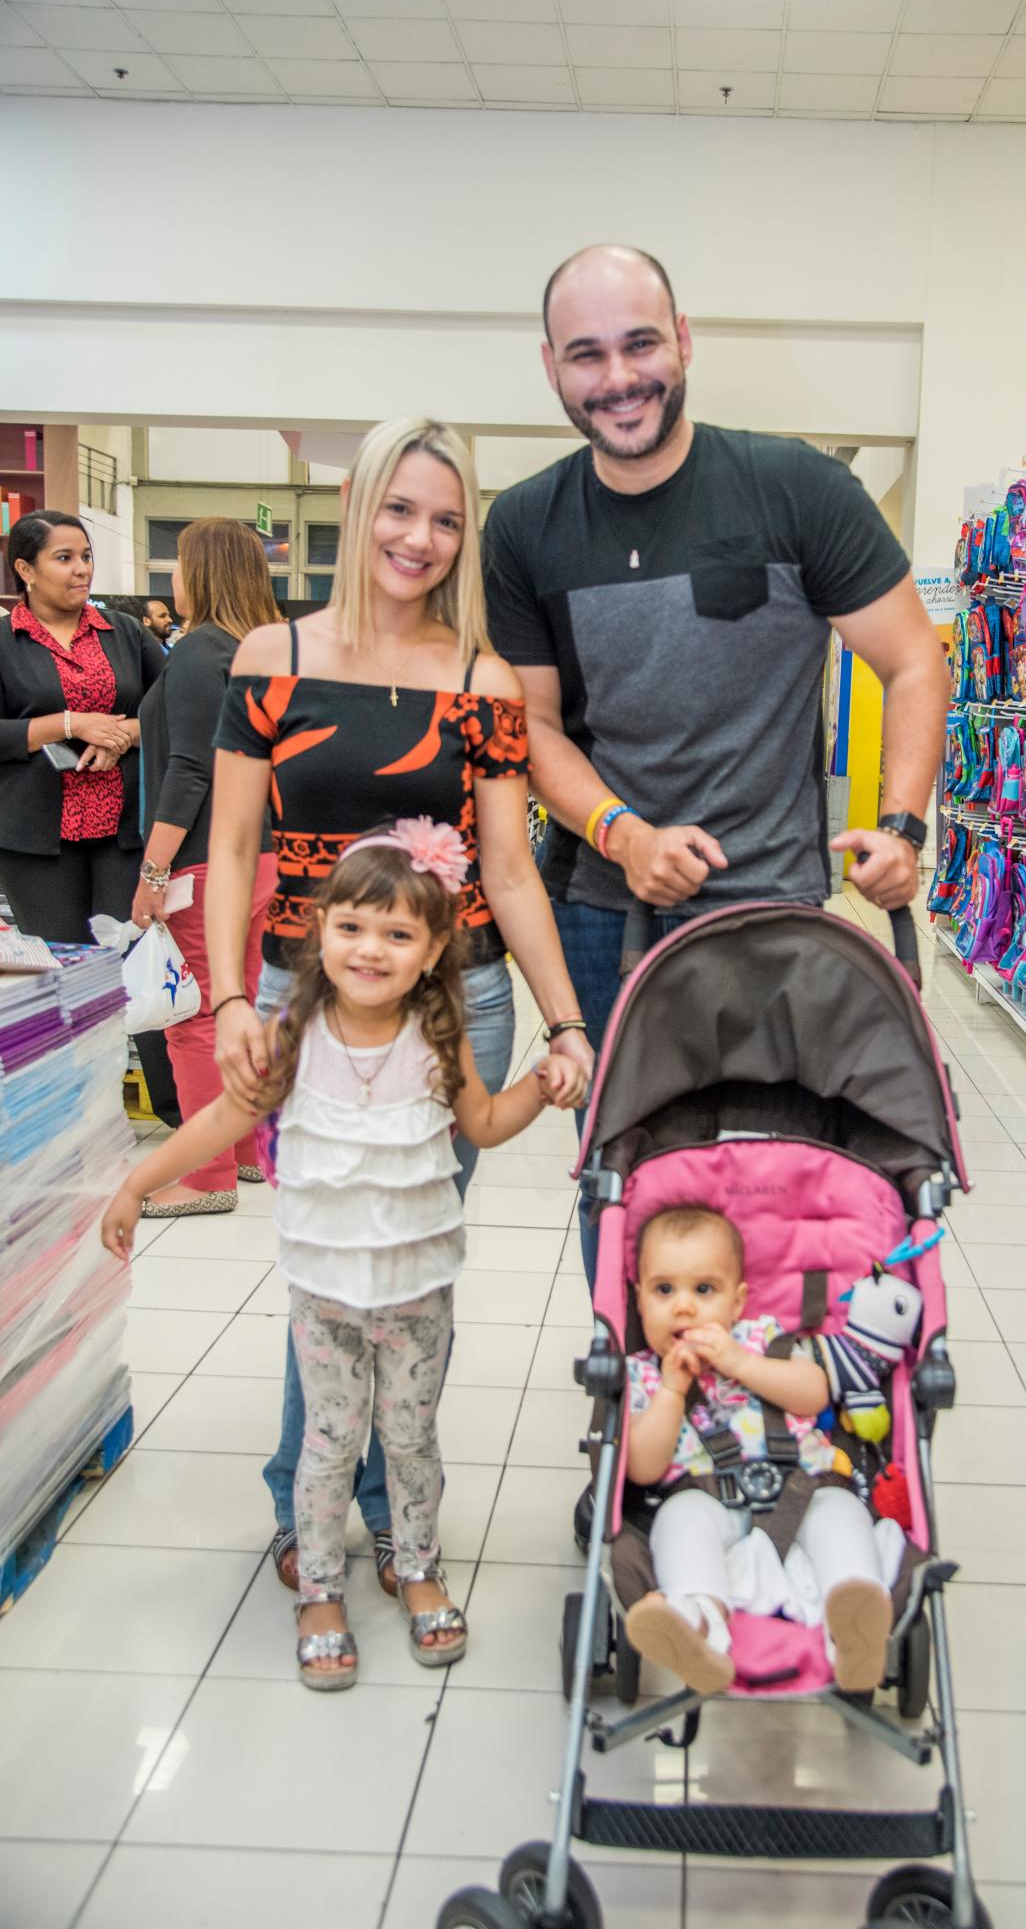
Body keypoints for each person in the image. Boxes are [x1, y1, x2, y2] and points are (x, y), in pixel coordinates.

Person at [483, 244, 948, 1287]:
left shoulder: (797, 488)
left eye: (641, 343)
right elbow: (535, 726)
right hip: (605, 914)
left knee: (773, 1177)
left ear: (684, 341)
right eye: (587, 354)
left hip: (775, 911)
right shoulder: (522, 526)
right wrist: (624, 832)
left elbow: (913, 656)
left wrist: (903, 825)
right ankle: (637, 1398)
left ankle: (763, 1400)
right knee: (626, 1173)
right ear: (552, 367)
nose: (618, 378)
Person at [206, 417, 595, 1596]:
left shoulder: (480, 678)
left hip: (452, 1001)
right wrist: (228, 995)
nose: (419, 538)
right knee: (330, 1249)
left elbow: (510, 866)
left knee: (408, 1260)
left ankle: (386, 1507)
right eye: (400, 508)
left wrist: (566, 1020)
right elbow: (232, 848)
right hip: (298, 994)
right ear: (358, 506)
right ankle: (309, 1496)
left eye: (445, 519)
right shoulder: (266, 657)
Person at [103, 821, 584, 1690]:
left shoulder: (439, 1039)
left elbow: (481, 1125)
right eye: (352, 928)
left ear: (435, 948)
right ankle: (320, 1588)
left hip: (418, 1295)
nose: (371, 949)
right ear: (318, 931)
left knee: (411, 1438)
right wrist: (141, 1182)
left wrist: (540, 1092)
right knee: (327, 1442)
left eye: (398, 934)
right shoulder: (292, 1037)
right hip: (324, 1293)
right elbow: (225, 1120)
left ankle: (420, 1566)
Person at [623, 1205, 893, 1697]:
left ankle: (853, 1622)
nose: (683, 1307)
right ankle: (699, 1624)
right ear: (638, 1299)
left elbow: (814, 1392)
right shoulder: (642, 1373)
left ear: (737, 1301)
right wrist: (670, 1393)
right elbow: (642, 1468)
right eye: (664, 1290)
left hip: (803, 1486)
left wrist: (740, 1363)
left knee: (842, 1514)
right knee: (679, 1523)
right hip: (703, 1496)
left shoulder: (762, 1339)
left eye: (704, 1290)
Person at [134, 520, 283, 1216]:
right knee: (245, 1004)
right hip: (266, 857)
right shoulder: (263, 651)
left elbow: (190, 769)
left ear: (199, 571)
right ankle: (247, 1151)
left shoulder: (196, 652)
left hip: (203, 857)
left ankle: (204, 1176)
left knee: (191, 1014)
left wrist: (154, 869)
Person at [0, 511, 165, 939]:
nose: (82, 568)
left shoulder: (124, 632)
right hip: (37, 838)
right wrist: (69, 724)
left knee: (126, 964)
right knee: (61, 969)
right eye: (64, 557)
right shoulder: (5, 643)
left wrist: (124, 734)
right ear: (25, 569)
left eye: (87, 556)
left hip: (124, 831)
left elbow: (173, 707)